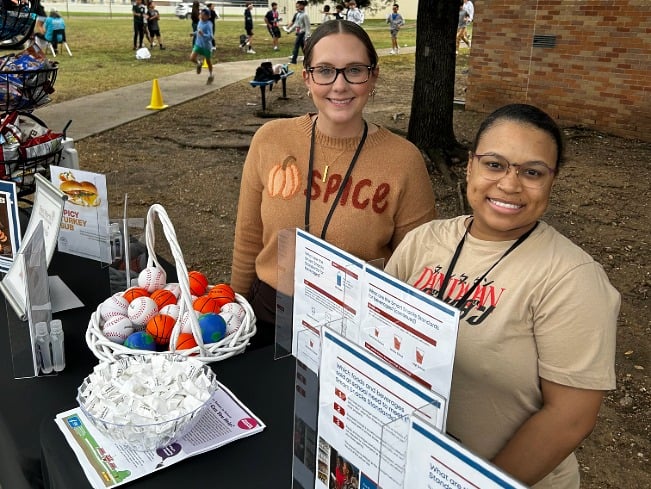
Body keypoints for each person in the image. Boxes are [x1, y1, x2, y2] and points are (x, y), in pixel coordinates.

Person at [385, 103, 619, 488]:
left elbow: (569, 418)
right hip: (406, 464)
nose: (510, 185)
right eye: (494, 164)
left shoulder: (572, 279)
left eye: (532, 172)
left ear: (552, 180)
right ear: (470, 166)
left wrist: (473, 483)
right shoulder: (423, 241)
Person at [231, 20, 437, 348]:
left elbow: (416, 268)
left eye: (354, 70)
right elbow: (249, 236)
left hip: (357, 329)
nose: (339, 85)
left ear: (373, 76)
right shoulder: (270, 141)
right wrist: (234, 311)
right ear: (307, 78)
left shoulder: (404, 161)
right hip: (269, 314)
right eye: (325, 70)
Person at [190, 8, 214, 84]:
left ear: (208, 17)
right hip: (198, 44)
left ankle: (211, 75)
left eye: (203, 15)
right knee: (192, 58)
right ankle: (199, 63)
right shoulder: (200, 21)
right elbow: (199, 30)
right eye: (201, 14)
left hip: (206, 46)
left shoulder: (209, 25)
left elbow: (210, 37)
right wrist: (194, 33)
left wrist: (203, 34)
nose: (201, 16)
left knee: (208, 61)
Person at [285, 0, 310, 65]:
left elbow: (308, 26)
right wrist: (289, 31)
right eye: (296, 7)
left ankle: (293, 61)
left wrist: (307, 36)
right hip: (298, 32)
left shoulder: (305, 15)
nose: (297, 8)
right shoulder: (298, 14)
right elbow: (296, 24)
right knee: (303, 47)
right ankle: (308, 58)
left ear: (302, 6)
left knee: (296, 46)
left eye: (298, 7)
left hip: (302, 33)